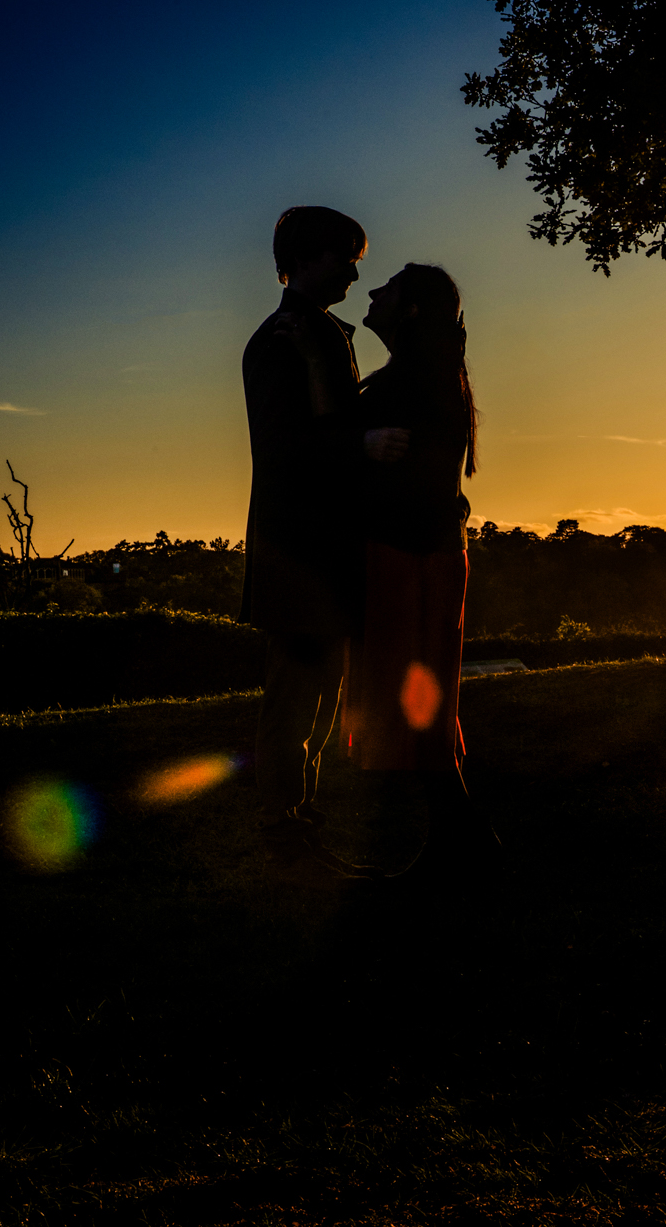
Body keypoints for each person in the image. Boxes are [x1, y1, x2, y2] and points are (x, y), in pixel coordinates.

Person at [241, 206, 408, 877]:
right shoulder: (281, 340)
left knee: (319, 689)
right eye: (345, 255)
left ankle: (298, 814)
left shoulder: (321, 334)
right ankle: (282, 828)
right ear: (305, 258)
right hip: (297, 550)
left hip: (325, 550)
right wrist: (361, 442)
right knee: (294, 692)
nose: (354, 269)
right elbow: (282, 450)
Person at [346, 262, 497, 873]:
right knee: (418, 702)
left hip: (410, 560)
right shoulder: (426, 378)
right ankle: (454, 842)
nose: (374, 291)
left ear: (408, 311)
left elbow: (404, 482)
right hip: (425, 555)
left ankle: (454, 842)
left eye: (389, 287)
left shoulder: (409, 384)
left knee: (412, 701)